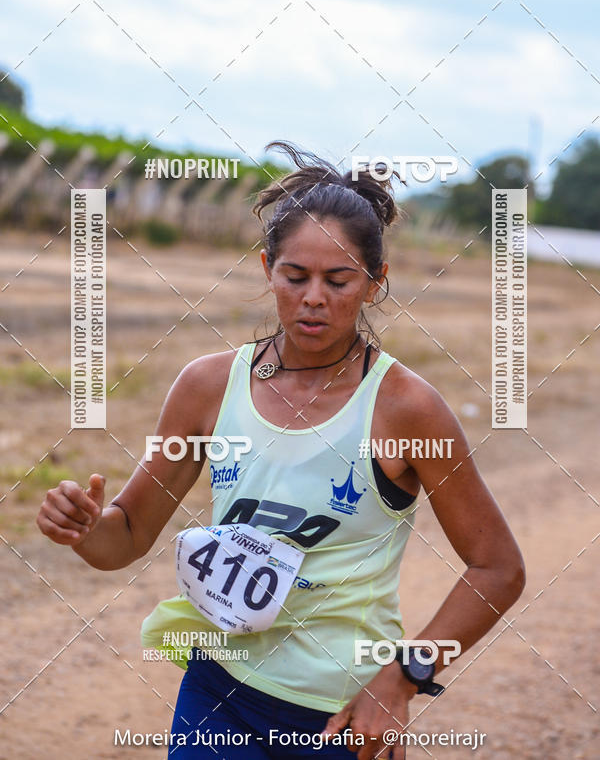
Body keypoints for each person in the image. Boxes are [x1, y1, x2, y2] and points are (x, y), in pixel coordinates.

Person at [37, 141, 525, 759]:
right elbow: (126, 536)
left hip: (340, 719)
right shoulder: (207, 387)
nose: (314, 297)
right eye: (295, 276)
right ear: (268, 268)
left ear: (375, 284)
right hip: (220, 694)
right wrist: (84, 528)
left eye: (338, 279)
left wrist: (402, 679)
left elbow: (498, 568)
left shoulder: (406, 408)